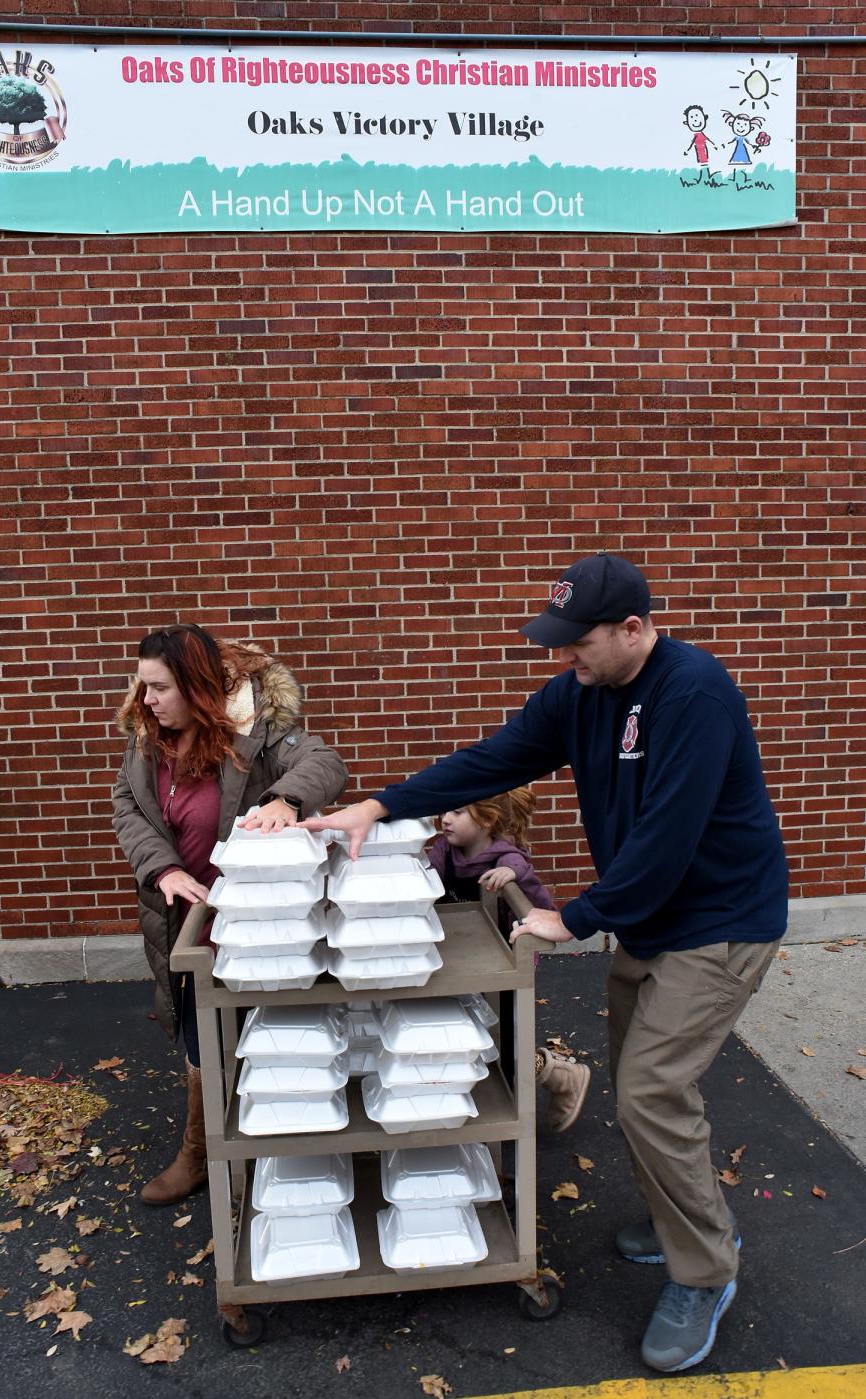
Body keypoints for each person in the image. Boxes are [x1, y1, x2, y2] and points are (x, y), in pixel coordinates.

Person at [303, 554, 788, 1375]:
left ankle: (705, 1269)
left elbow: (668, 838)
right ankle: (686, 1216)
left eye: (581, 641)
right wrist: (380, 803)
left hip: (719, 920)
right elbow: (496, 757)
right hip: (653, 918)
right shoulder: (583, 694)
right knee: (648, 1084)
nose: (566, 656)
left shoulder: (693, 693)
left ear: (634, 629)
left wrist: (575, 916)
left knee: (649, 1087)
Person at [112, 623, 347, 1206]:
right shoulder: (148, 737)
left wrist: (284, 800)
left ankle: (280, 1146)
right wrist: (163, 868)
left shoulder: (258, 734)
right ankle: (199, 1151)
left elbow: (326, 763)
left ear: (196, 686)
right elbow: (128, 805)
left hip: (258, 919)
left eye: (160, 687)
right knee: (199, 1033)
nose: (148, 700)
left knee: (271, 1031)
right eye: (143, 687)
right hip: (184, 919)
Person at [428, 787, 590, 1131]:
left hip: (505, 962)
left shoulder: (504, 857)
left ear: (487, 820)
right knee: (473, 1033)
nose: (446, 819)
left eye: (457, 812)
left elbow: (524, 877)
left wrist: (513, 874)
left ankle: (561, 1077)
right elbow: (430, 881)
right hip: (467, 959)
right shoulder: (445, 851)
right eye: (445, 812)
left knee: (506, 1044)